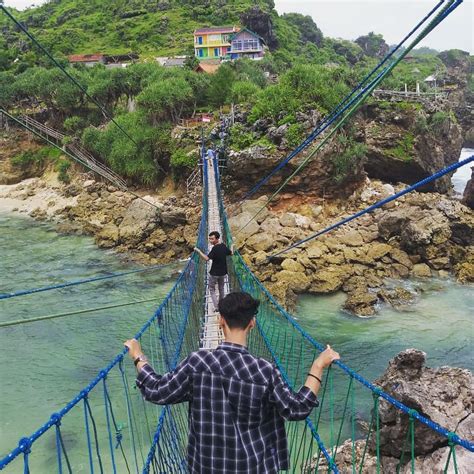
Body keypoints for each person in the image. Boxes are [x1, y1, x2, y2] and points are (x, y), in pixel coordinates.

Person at [124, 292, 340, 473]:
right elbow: (297, 408)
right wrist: (318, 365)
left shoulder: (198, 362)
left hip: (205, 466)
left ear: (220, 321)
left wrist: (138, 355)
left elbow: (156, 390)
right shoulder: (265, 370)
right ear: (252, 323)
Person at [194, 231, 234, 312]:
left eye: (212, 239)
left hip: (214, 273)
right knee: (221, 288)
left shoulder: (214, 249)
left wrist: (198, 251)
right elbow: (231, 253)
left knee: (211, 289)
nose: (210, 241)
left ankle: (217, 307)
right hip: (223, 273)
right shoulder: (223, 246)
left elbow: (206, 258)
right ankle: (221, 305)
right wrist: (232, 245)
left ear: (217, 239)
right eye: (209, 239)